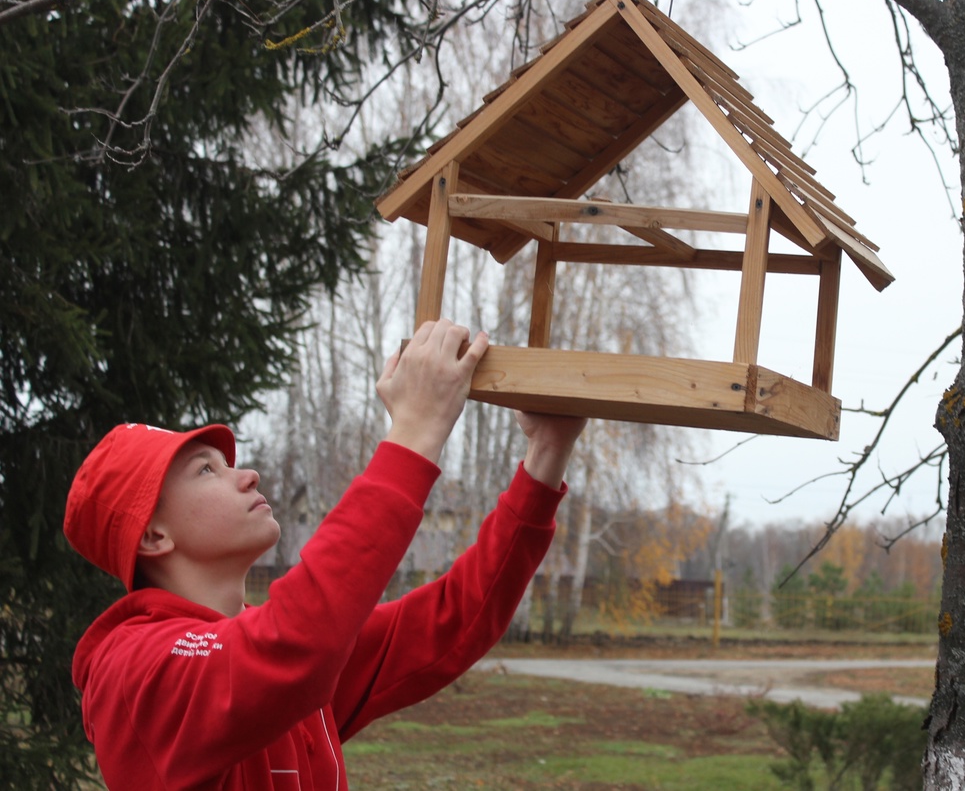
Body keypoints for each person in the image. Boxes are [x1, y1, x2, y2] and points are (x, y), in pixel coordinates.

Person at [62, 319, 586, 790]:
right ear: (154, 537)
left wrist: (545, 454)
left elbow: (455, 618)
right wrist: (414, 432)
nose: (248, 474)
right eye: (206, 471)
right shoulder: (135, 670)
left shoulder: (270, 649)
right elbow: (295, 643)